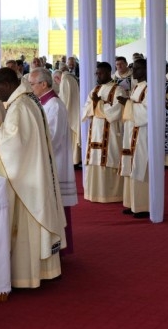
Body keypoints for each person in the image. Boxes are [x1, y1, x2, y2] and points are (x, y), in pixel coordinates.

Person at [0, 68, 66, 288]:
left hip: (27, 181)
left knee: (25, 224)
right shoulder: (26, 101)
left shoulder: (21, 106)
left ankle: (28, 275)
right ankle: (43, 270)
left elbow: (14, 145)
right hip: (32, 173)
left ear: (5, 85)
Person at [29, 67, 77, 254]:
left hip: (54, 162)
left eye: (33, 84)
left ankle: (59, 248)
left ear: (44, 84)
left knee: (56, 206)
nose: (31, 87)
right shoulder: (43, 103)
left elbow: (53, 138)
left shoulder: (54, 105)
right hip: (48, 160)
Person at [82, 61, 127, 203]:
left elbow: (116, 112)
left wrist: (98, 104)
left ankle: (112, 195)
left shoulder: (118, 90)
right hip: (95, 130)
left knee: (110, 158)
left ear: (108, 73)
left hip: (111, 132)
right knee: (94, 158)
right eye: (97, 73)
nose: (98, 75)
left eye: (100, 73)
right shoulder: (94, 90)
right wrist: (96, 104)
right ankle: (94, 193)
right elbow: (86, 109)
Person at [118, 58, 150, 219]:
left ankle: (143, 206)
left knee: (140, 166)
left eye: (137, 69)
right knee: (131, 166)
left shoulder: (150, 88)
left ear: (146, 70)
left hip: (143, 133)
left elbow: (146, 112)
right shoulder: (137, 86)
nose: (134, 71)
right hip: (132, 131)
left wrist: (128, 104)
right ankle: (132, 204)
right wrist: (128, 103)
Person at [58, 64, 82, 167]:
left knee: (70, 137)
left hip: (69, 111)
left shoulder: (65, 80)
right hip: (75, 108)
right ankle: (75, 159)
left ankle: (73, 160)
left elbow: (64, 98)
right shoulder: (72, 78)